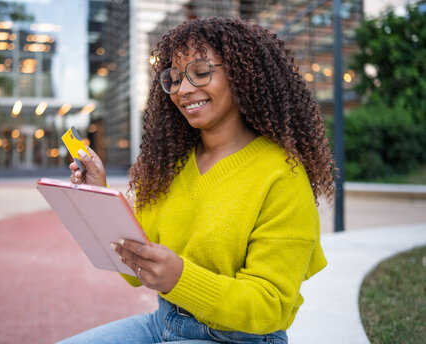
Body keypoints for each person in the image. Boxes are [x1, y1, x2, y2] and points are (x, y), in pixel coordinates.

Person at [58, 17, 335, 344]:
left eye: (201, 73)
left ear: (242, 75)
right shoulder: (171, 167)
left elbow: (270, 304)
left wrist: (180, 278)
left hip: (241, 338)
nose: (184, 90)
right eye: (173, 79)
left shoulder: (282, 175)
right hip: (162, 325)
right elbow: (136, 270)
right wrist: (98, 194)